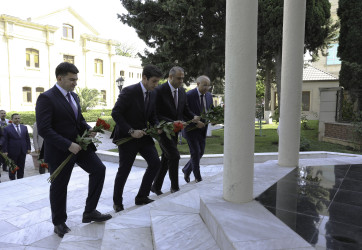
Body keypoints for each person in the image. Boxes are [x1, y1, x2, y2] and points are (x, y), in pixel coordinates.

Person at [35, 62, 111, 238]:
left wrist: (88, 129)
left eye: (76, 79)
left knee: (99, 169)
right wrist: (68, 144)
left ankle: (90, 211)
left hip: (81, 146)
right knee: (60, 186)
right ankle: (59, 222)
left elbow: (79, 121)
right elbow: (45, 129)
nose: (75, 83)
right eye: (72, 79)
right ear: (59, 78)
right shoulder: (46, 98)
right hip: (60, 150)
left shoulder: (74, 97)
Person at [111, 65, 163, 212]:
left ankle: (142, 196)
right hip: (127, 138)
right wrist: (131, 131)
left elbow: (152, 115)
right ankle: (117, 202)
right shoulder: (129, 91)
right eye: (154, 81)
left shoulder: (153, 93)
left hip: (144, 137)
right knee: (124, 170)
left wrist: (157, 126)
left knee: (155, 164)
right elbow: (116, 113)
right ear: (144, 78)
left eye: (157, 82)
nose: (156, 85)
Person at [151, 66, 199, 195]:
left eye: (183, 78)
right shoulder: (159, 90)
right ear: (170, 77)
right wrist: (171, 123)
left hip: (175, 131)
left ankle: (156, 186)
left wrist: (194, 117)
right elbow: (155, 114)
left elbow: (185, 110)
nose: (181, 81)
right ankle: (175, 187)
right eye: (179, 78)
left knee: (166, 159)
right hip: (163, 130)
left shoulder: (182, 91)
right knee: (174, 156)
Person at [182, 76, 213, 183]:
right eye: (204, 85)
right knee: (195, 153)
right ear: (197, 84)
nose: (207, 88)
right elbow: (183, 112)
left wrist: (214, 119)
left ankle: (186, 169)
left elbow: (211, 110)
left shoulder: (209, 96)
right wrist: (195, 121)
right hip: (190, 129)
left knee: (200, 152)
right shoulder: (188, 95)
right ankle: (198, 177)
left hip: (202, 130)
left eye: (208, 85)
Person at [2, 113, 31, 180]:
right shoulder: (7, 128)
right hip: (12, 151)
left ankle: (20, 179)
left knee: (21, 167)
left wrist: (28, 148)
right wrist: (5, 151)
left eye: (18, 118)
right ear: (12, 119)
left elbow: (27, 138)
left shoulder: (24, 127)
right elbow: (5, 141)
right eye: (15, 118)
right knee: (12, 167)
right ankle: (12, 180)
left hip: (22, 151)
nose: (17, 120)